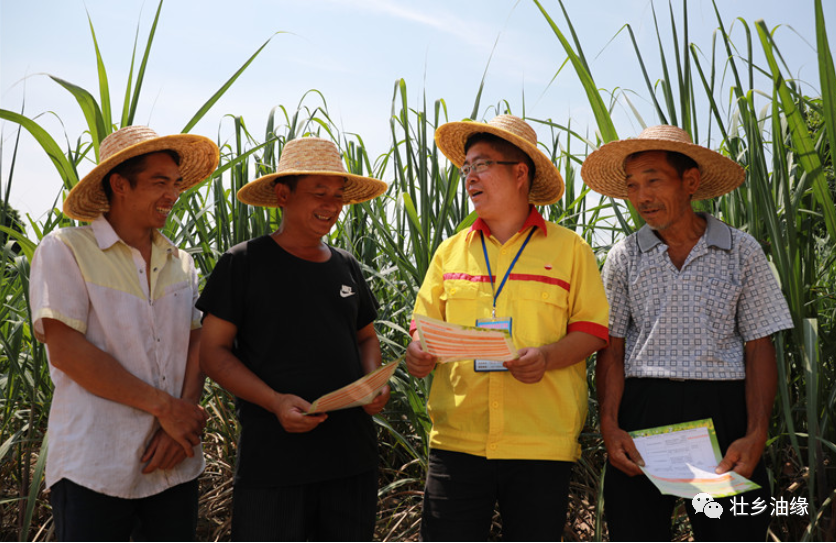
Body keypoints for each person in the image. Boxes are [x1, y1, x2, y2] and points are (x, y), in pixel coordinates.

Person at [581, 125, 794, 541]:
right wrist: (609, 424)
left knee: (734, 532)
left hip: (723, 410)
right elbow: (612, 347)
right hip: (642, 412)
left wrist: (755, 433)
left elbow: (758, 345)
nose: (641, 196)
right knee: (634, 530)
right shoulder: (624, 256)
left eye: (653, 180)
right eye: (632, 185)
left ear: (690, 182)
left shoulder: (740, 250)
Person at [406, 114, 610, 541]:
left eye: (481, 165)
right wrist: (420, 355)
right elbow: (422, 329)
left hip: (540, 445)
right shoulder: (449, 252)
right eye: (466, 169)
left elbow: (592, 331)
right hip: (457, 442)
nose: (469, 178)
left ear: (520, 173)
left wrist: (549, 357)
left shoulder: (571, 249)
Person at [29, 125, 220, 540]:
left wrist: (182, 421)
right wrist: (166, 410)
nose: (172, 194)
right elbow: (67, 352)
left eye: (176, 183)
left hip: (174, 463)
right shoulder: (65, 250)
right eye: (159, 182)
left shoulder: (180, 262)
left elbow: (196, 342)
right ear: (120, 184)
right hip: (95, 466)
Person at [197, 136, 389, 541]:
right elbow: (212, 353)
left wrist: (373, 381)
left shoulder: (346, 266)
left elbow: (366, 338)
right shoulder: (243, 263)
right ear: (282, 194)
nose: (332, 206)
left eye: (338, 196)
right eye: (319, 193)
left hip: (351, 458)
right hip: (275, 463)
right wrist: (275, 402)